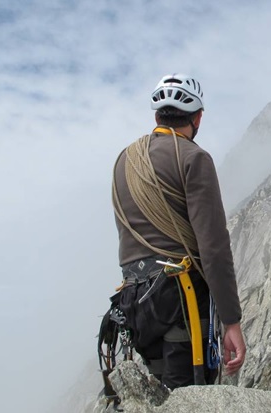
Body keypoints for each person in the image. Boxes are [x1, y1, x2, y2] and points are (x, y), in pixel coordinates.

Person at [112, 73, 245, 389]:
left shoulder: (124, 160)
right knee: (188, 395)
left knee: (159, 394)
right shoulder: (194, 158)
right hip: (179, 298)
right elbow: (213, 248)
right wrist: (232, 321)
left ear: (157, 115)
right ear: (198, 118)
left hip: (133, 300)